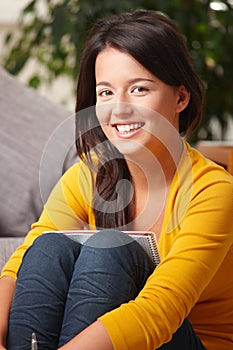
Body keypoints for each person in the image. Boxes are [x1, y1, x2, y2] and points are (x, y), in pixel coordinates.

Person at [0, 9, 233, 350]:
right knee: (48, 247)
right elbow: (20, 265)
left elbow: (159, 311)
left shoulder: (214, 191)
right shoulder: (88, 175)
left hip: (188, 340)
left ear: (181, 98)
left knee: (109, 251)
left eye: (139, 89)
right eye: (106, 93)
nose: (119, 109)